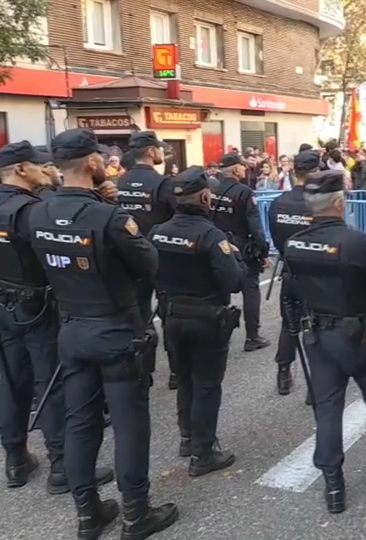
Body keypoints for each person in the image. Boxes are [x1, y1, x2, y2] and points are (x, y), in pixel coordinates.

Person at [29, 129, 178, 540]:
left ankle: (88, 515)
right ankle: (135, 514)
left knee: (80, 424)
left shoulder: (36, 212)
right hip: (116, 329)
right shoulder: (110, 217)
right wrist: (109, 212)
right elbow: (150, 263)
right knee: (130, 425)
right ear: (93, 163)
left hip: (71, 329)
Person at [282, 169, 366, 514]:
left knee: (327, 409)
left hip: (318, 336)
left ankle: (333, 489)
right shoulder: (359, 243)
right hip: (359, 337)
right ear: (340, 202)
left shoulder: (294, 243)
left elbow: (291, 290)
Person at [0, 141, 115, 495]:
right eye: (38, 165)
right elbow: (64, 240)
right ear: (21, 169)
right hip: (36, 305)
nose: (46, 170)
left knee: (12, 380)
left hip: (1, 304)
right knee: (50, 382)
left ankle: (15, 458)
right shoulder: (29, 210)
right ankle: (62, 464)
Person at [150, 166, 247, 477]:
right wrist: (236, 254)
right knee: (206, 384)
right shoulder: (211, 235)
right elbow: (234, 282)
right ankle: (203, 454)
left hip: (172, 316)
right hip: (206, 318)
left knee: (185, 378)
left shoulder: (157, 231)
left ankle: (187, 437)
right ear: (205, 196)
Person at [116, 131, 177, 388]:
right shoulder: (163, 183)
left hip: (130, 256)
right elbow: (179, 219)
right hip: (162, 257)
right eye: (160, 149)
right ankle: (176, 370)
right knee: (170, 314)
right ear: (152, 152)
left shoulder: (120, 182)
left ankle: (145, 370)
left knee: (139, 314)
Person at [268, 150, 320, 397]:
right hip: (316, 276)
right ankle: (316, 385)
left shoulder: (279, 202)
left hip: (290, 271)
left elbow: (277, 239)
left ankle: (283, 372)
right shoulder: (319, 202)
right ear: (315, 172)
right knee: (318, 327)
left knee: (289, 325)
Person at [210, 153, 271, 352]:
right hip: (242, 245)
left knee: (220, 289)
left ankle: (220, 333)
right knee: (250, 289)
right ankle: (252, 336)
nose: (245, 169)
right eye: (243, 166)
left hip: (217, 243)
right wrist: (263, 251)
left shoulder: (212, 189)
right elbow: (255, 225)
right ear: (235, 170)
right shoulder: (244, 192)